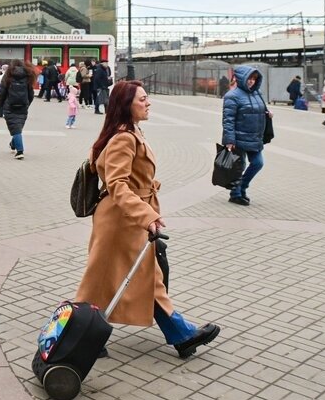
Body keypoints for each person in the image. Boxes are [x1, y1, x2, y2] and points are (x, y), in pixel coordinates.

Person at [76, 80, 221, 359]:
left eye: (147, 97)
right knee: (102, 280)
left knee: (144, 276)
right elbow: (118, 184)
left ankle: (180, 334)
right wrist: (147, 214)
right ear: (126, 105)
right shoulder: (123, 138)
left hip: (126, 217)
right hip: (122, 219)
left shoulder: (125, 132)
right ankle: (79, 335)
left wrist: (148, 187)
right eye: (142, 99)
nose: (148, 102)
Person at [222, 65, 271, 206]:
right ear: (241, 78)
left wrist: (267, 114)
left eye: (254, 79)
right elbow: (228, 120)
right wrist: (229, 140)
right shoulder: (232, 96)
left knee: (258, 163)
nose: (251, 81)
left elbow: (261, 109)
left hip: (255, 137)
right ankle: (236, 194)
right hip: (238, 137)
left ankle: (242, 187)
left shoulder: (257, 94)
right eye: (249, 78)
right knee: (239, 167)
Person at [0, 60, 34, 160]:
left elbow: (2, 92)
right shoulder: (28, 76)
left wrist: (1, 106)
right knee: (17, 127)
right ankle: (13, 144)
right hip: (23, 106)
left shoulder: (8, 76)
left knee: (16, 128)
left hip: (10, 106)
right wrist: (27, 104)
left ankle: (20, 151)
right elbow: (31, 93)